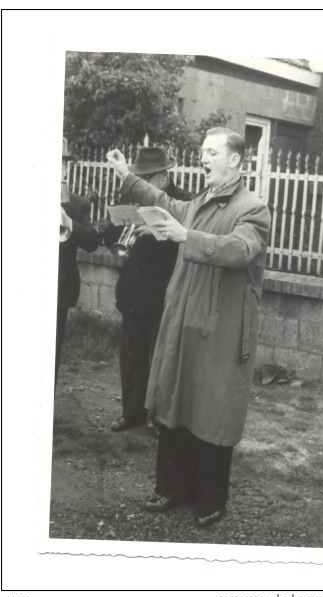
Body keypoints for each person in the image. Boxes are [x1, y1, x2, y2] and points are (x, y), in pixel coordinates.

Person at [107, 127, 271, 527]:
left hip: (222, 331)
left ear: (234, 160)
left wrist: (187, 237)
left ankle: (209, 500)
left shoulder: (253, 208)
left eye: (211, 152)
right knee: (175, 403)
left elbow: (241, 249)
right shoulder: (199, 201)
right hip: (184, 323)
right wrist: (127, 176)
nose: (203, 158)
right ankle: (171, 489)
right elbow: (164, 201)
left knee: (212, 411)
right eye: (202, 152)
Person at [99, 147, 191, 432]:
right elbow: (111, 235)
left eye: (148, 177)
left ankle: (160, 418)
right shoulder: (132, 197)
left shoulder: (183, 201)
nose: (142, 182)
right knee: (131, 354)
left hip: (163, 293)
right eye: (139, 176)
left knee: (163, 359)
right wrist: (116, 226)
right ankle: (132, 412)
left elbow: (189, 242)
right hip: (133, 290)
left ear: (164, 176)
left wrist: (157, 232)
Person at [56, 138, 99, 384]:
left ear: (65, 169)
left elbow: (93, 242)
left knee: (52, 349)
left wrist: (69, 222)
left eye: (60, 164)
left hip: (60, 288)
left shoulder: (78, 203)